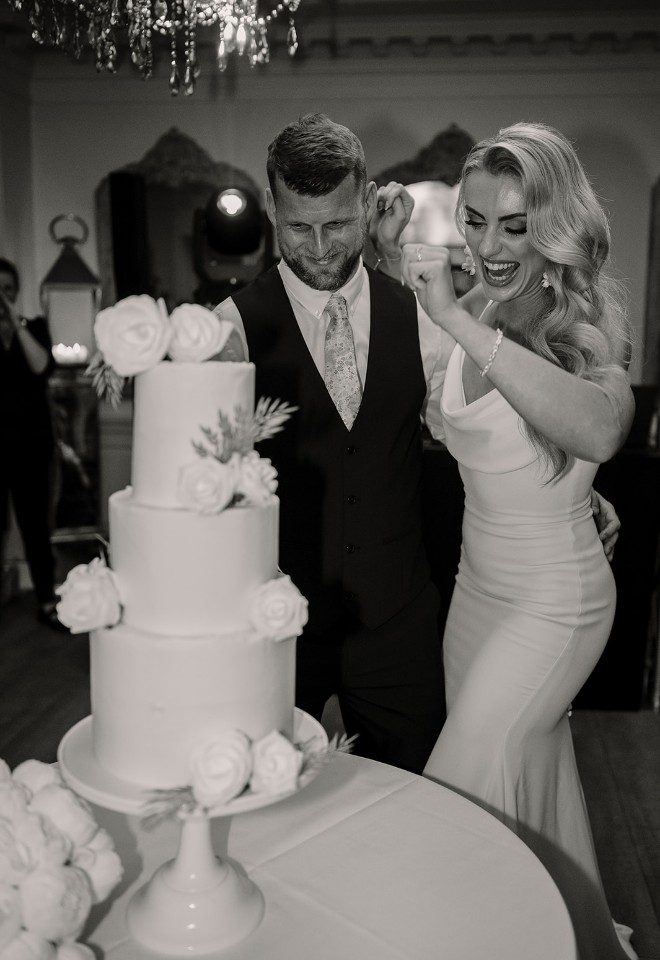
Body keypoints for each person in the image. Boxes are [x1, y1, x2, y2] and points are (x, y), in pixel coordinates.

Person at [216, 113, 621, 778]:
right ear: (269, 209)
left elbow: (485, 427)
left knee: (425, 802)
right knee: (270, 808)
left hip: (401, 627)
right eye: (297, 227)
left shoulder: (428, 317)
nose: (320, 247)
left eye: (339, 224)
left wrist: (572, 487)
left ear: (367, 199)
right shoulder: (226, 331)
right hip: (275, 628)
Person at [398, 123, 636, 959]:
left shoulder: (583, 331)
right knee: (523, 774)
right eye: (474, 220)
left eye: (514, 225)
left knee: (466, 779)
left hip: (553, 603)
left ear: (554, 224)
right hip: (478, 592)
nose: (490, 245)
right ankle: (559, 935)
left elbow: (598, 431)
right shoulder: (475, 307)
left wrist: (458, 322)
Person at [0, 257, 64, 631]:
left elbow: (41, 367)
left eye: (8, 288)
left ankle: (45, 600)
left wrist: (14, 318)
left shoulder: (35, 327)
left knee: (35, 527)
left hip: (30, 447)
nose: (3, 296)